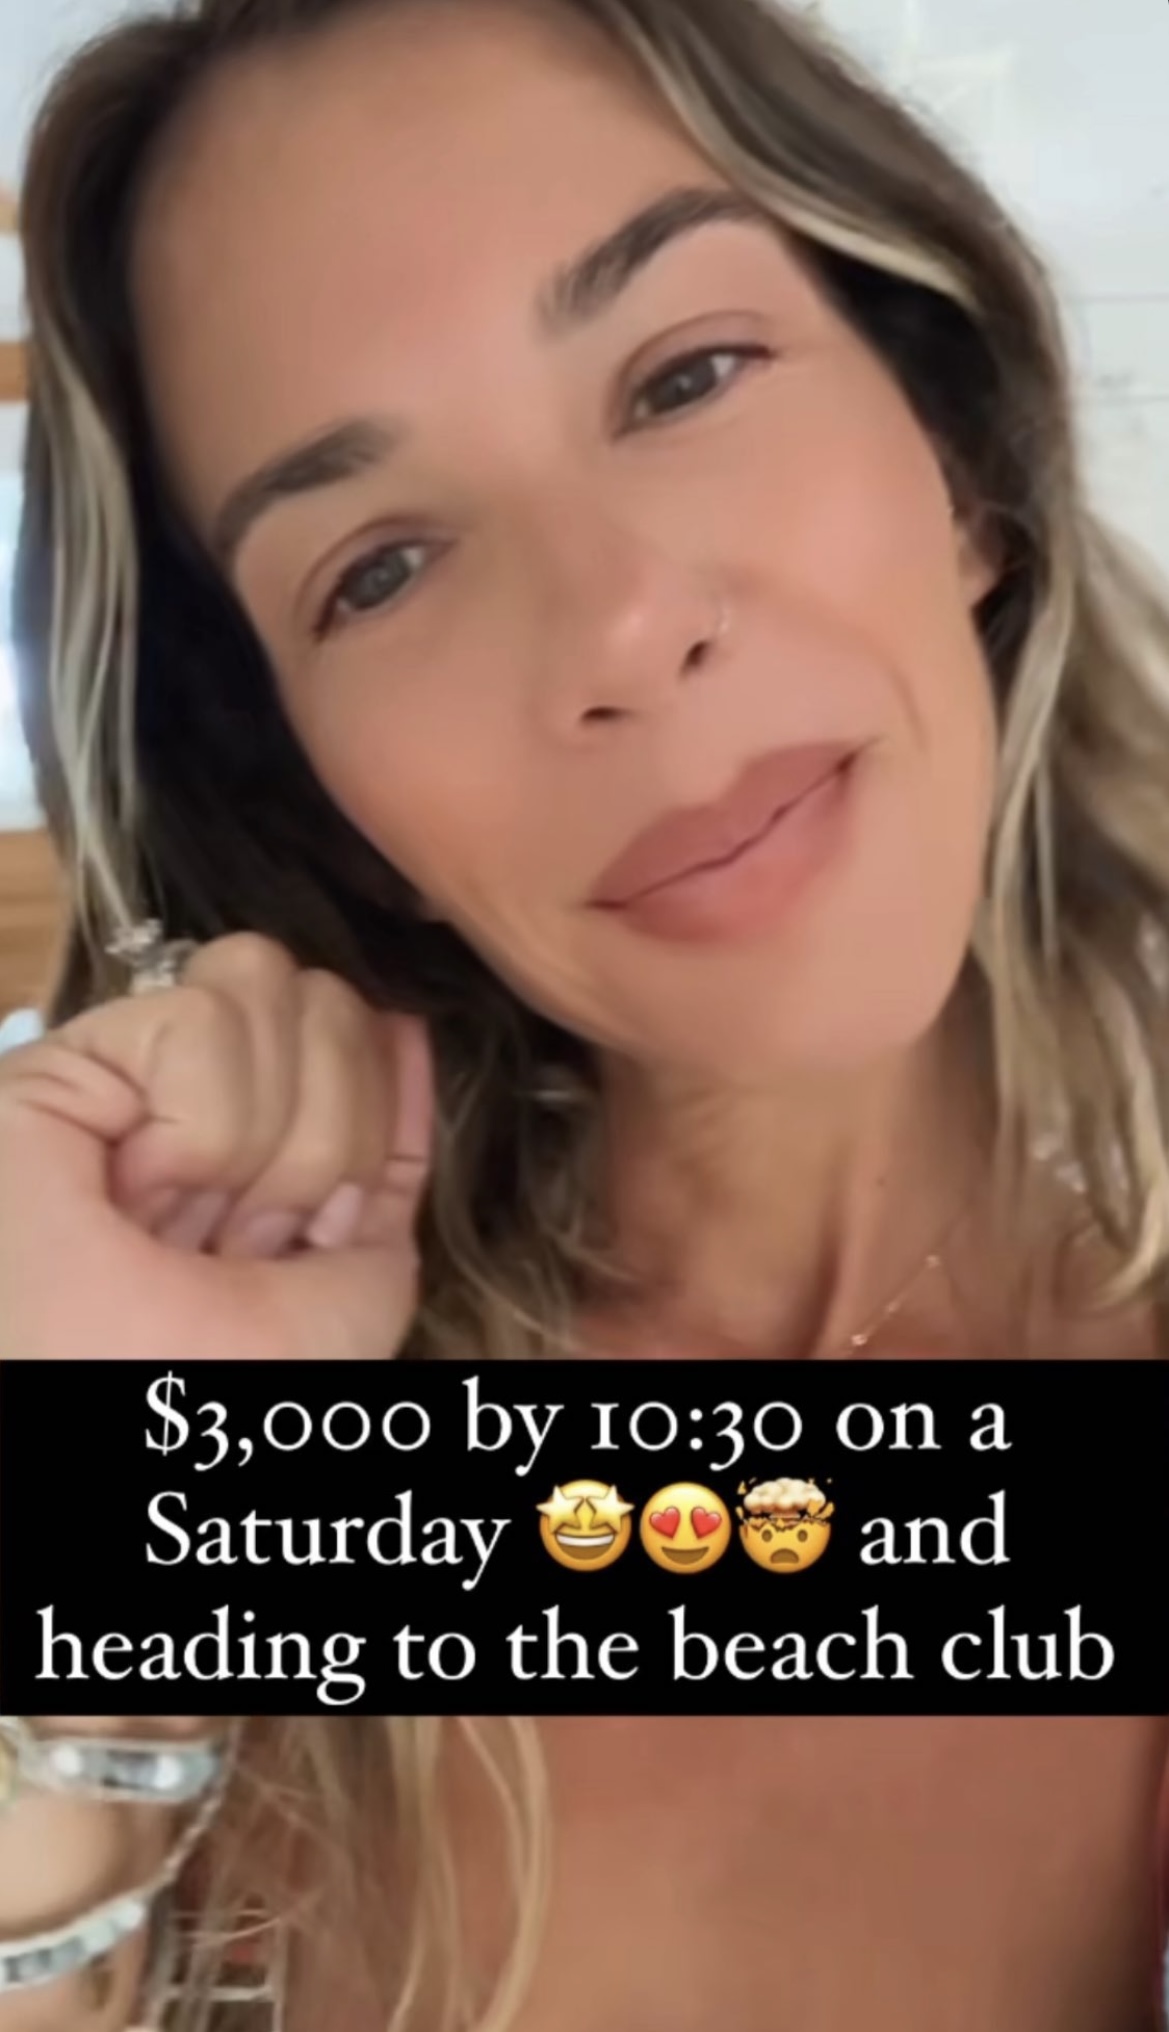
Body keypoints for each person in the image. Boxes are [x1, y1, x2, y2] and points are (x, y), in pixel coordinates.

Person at [1, 0, 1168, 2024]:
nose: (620, 626)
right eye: (379, 568)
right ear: (322, 802)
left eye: (685, 374)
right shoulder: (205, 1418)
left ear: (962, 461)